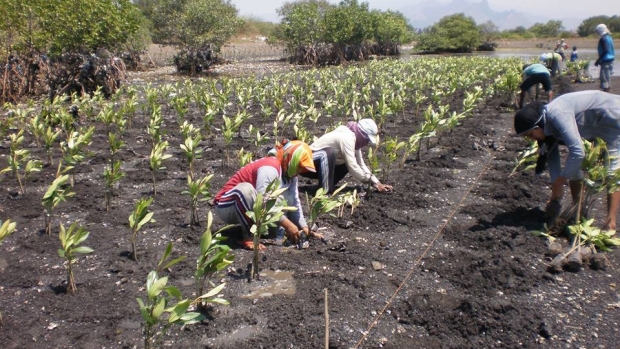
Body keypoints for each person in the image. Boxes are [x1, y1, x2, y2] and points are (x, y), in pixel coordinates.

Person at [513, 90, 620, 231]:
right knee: (573, 169)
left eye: (530, 134)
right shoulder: (546, 127)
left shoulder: (556, 114)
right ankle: (579, 214)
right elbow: (552, 158)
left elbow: (578, 152)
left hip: (613, 117)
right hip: (592, 125)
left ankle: (610, 224)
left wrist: (561, 181)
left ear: (537, 126)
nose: (532, 139)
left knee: (612, 172)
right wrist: (556, 193)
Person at [213, 139, 319, 250]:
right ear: (292, 158)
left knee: (283, 202)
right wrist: (288, 225)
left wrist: (304, 227)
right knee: (246, 189)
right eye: (299, 166)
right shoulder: (270, 167)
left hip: (249, 207)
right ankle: (248, 237)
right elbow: (264, 200)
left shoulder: (290, 175)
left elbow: (295, 203)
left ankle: (257, 229)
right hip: (227, 204)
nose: (300, 171)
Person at [301, 118, 393, 194]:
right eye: (367, 139)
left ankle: (326, 187)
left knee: (345, 163)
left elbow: (360, 164)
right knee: (329, 153)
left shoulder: (354, 141)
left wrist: (377, 183)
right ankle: (324, 191)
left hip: (320, 167)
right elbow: (352, 166)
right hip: (306, 164)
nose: (366, 143)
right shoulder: (346, 137)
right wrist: (368, 180)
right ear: (362, 134)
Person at [595, 23, 615, 92]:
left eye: (597, 31)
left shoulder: (603, 39)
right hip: (611, 61)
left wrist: (598, 60)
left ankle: (605, 96)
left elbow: (605, 50)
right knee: (608, 78)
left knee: (604, 79)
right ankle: (607, 94)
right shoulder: (609, 38)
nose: (597, 33)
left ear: (600, 31)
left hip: (605, 61)